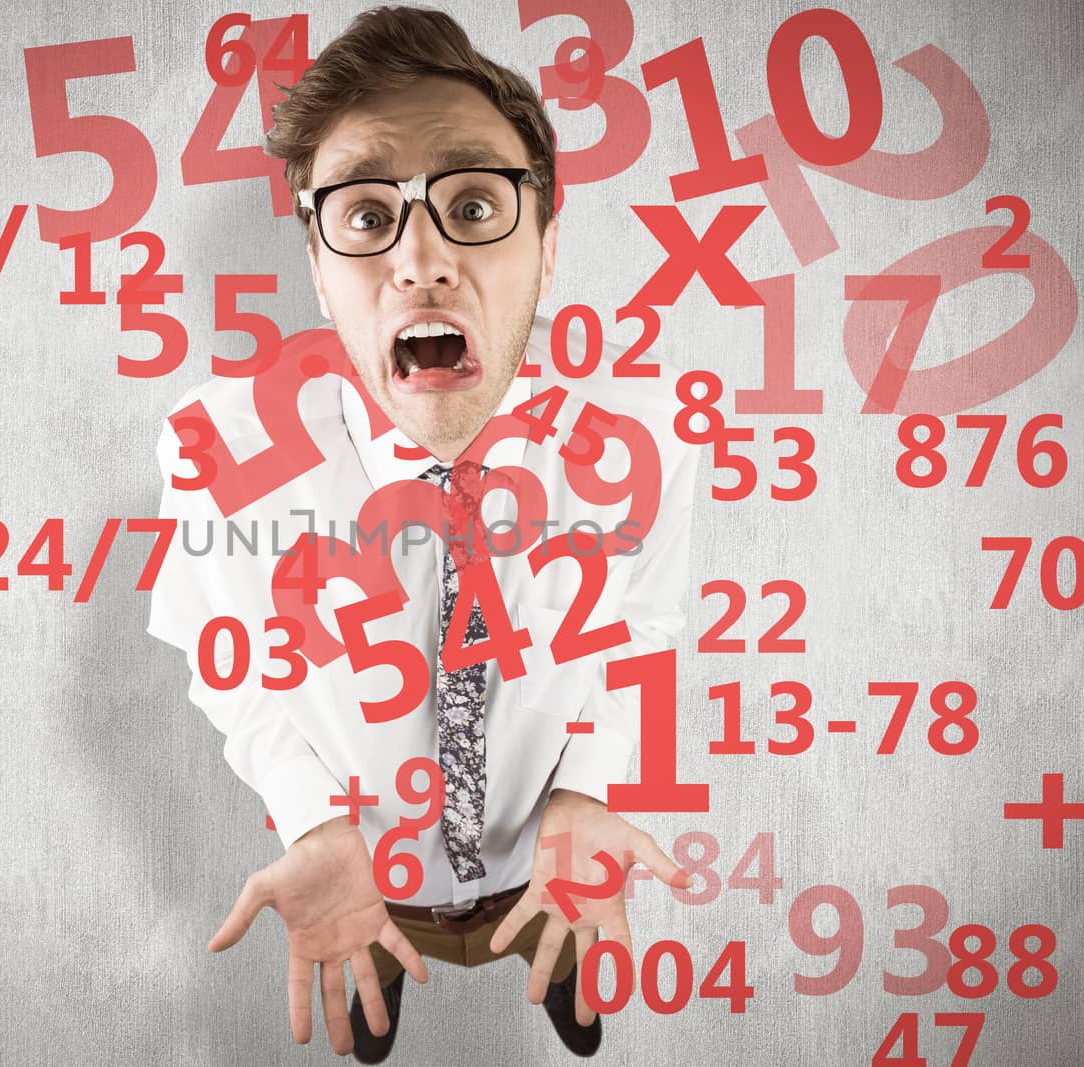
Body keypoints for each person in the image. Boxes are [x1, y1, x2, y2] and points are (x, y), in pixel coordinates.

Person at [145, 7, 700, 1060]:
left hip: (549, 858)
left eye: (476, 203)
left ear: (547, 243)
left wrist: (588, 794)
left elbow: (644, 634)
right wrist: (312, 821)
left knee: (564, 930)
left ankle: (560, 972)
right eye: (363, 218)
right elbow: (227, 668)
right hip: (365, 869)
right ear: (315, 264)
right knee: (363, 944)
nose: (422, 258)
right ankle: (382, 969)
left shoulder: (645, 446)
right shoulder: (221, 453)